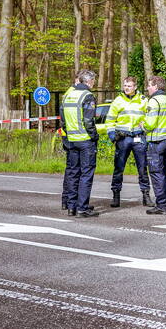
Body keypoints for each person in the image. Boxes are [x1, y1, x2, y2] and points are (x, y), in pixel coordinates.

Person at [60, 69, 100, 218]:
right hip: (85, 141)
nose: (93, 83)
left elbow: (63, 120)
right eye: (93, 81)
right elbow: (89, 121)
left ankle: (72, 207)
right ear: (89, 81)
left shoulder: (68, 95)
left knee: (72, 173)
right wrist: (94, 136)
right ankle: (82, 208)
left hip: (71, 140)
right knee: (86, 174)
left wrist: (69, 133)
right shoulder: (87, 95)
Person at [107, 76, 151, 208]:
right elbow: (110, 120)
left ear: (135, 87)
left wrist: (146, 129)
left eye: (129, 86)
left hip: (139, 138)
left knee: (142, 168)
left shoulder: (144, 100)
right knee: (119, 168)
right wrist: (112, 135)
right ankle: (116, 195)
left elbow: (150, 117)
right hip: (122, 138)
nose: (126, 88)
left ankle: (146, 195)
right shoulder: (118, 100)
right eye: (125, 85)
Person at [142, 75, 166, 215]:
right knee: (163, 174)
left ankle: (161, 206)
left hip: (156, 142)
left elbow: (150, 124)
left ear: (156, 86)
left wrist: (142, 125)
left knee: (156, 174)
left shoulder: (154, 101)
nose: (147, 88)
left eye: (149, 85)